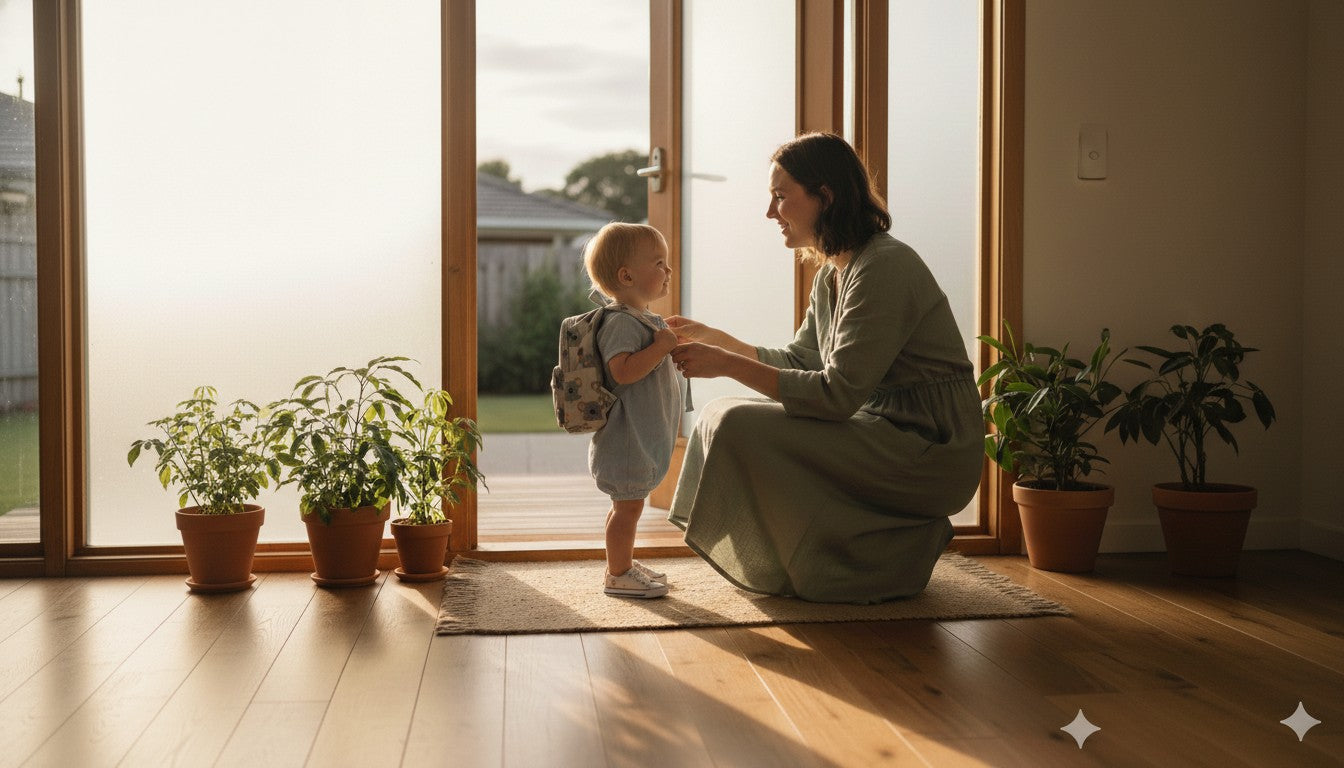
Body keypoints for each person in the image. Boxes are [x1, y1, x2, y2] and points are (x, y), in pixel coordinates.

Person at [666, 132, 983, 604]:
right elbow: (800, 362)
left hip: (931, 447)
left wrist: (727, 365)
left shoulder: (884, 267)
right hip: (880, 429)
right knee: (719, 414)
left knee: (735, 421)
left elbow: (835, 395)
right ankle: (813, 560)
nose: (770, 213)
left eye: (779, 196)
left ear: (825, 197)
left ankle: (857, 560)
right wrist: (716, 340)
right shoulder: (834, 275)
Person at [582, 222, 686, 599]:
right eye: (659, 262)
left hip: (637, 437)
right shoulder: (620, 322)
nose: (668, 271)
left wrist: (664, 340)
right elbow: (622, 371)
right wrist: (660, 347)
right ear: (626, 276)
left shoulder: (642, 319)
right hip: (625, 440)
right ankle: (618, 573)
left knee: (628, 507)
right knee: (626, 510)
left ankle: (622, 563)